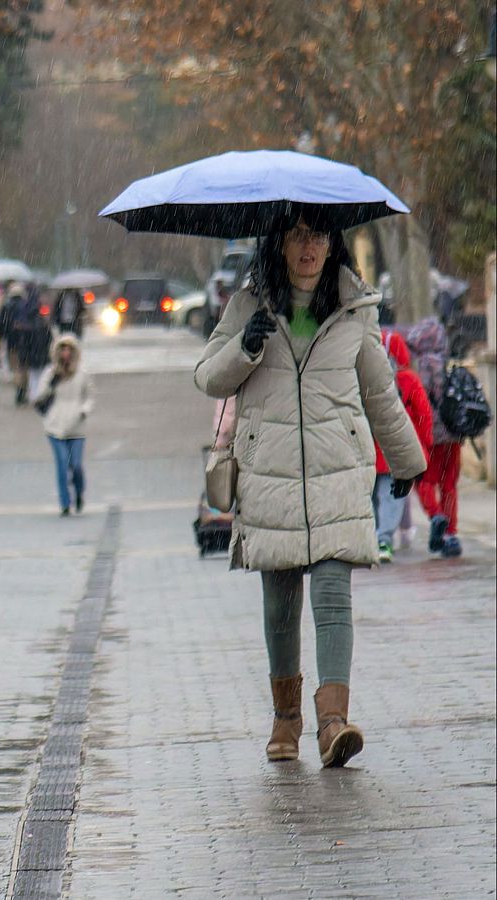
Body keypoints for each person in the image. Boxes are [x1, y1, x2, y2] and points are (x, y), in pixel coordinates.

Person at [196, 218, 425, 768]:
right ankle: (286, 718)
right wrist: (245, 347)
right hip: (270, 473)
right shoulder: (248, 304)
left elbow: (379, 390)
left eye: (320, 236)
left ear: (333, 244)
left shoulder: (354, 307)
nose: (310, 247)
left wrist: (408, 459)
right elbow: (208, 377)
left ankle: (332, 723)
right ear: (278, 242)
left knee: (332, 593)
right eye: (299, 235)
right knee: (280, 601)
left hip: (336, 469)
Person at [371, 331, 434, 563]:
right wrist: (424, 443)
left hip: (369, 450)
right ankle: (384, 539)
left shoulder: (364, 377)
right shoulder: (408, 379)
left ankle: (372, 538)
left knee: (370, 497)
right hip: (395, 449)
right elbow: (424, 414)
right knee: (391, 496)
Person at [405, 317, 464, 559]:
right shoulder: (448, 361)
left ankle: (436, 515)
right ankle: (451, 534)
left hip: (432, 435)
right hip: (454, 434)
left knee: (424, 481)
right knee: (449, 485)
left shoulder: (424, 365)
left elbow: (423, 402)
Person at [33, 335, 93, 516]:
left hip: (76, 426)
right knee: (62, 463)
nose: (65, 353)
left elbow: (89, 396)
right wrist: (51, 385)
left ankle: (79, 492)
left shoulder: (82, 374)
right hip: (55, 424)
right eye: (62, 349)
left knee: (76, 465)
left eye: (69, 350)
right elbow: (39, 395)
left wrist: (84, 410)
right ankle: (65, 502)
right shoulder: (50, 373)